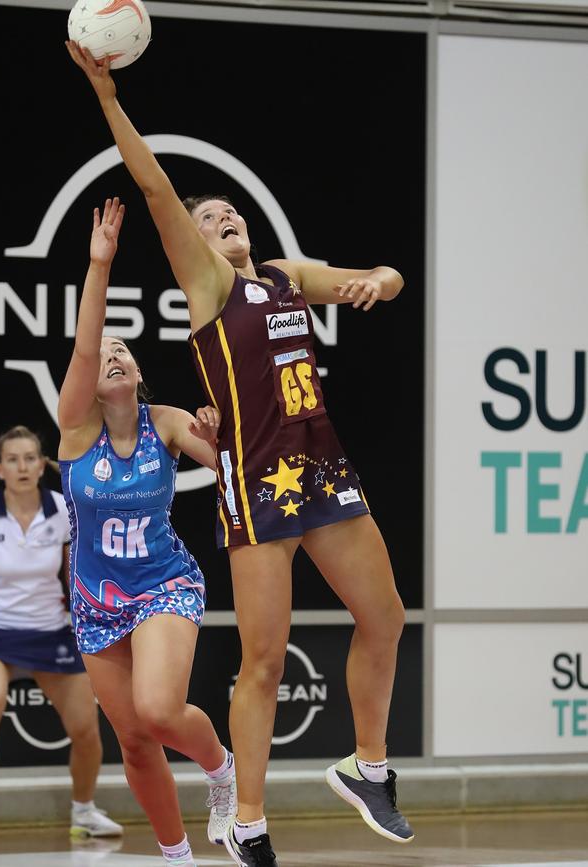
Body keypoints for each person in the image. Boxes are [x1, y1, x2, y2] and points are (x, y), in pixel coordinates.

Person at [66, 42, 414, 867]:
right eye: (209, 219)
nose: (224, 223)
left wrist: (379, 281)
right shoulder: (211, 289)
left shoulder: (286, 277)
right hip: (258, 484)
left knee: (387, 616)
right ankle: (248, 820)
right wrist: (110, 100)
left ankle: (369, 767)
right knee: (262, 659)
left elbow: (385, 275)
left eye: (232, 216)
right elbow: (153, 187)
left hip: (325, 469)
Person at [57, 195, 236, 867]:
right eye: (101, 352)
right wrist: (99, 264)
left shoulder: (163, 421)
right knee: (135, 742)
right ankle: (177, 856)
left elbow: (232, 463)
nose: (111, 354)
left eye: (122, 349)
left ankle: (221, 771)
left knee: (160, 711)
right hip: (97, 601)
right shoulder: (76, 429)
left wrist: (219, 438)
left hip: (164, 582)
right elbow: (82, 343)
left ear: (134, 372)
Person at [0, 425, 123, 848]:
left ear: (42, 465)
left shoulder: (63, 509)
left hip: (51, 631)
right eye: (12, 459)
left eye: (30, 458)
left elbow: (74, 569)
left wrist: (80, 618)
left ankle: (83, 813)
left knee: (85, 728)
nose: (22, 467)